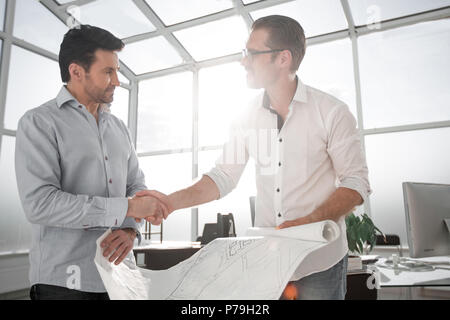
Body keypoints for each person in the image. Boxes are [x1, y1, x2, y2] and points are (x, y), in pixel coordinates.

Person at [136, 15, 371, 300]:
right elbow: (223, 176)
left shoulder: (332, 111)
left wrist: (308, 223)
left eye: (251, 53)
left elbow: (355, 184)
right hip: (269, 261)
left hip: (319, 261)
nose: (243, 61)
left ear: (283, 58)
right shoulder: (246, 116)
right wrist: (168, 202)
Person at [15, 25, 166, 300]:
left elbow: (136, 184)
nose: (117, 81)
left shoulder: (119, 128)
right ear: (76, 72)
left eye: (116, 71)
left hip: (121, 279)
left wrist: (131, 228)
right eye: (108, 71)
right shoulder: (39, 123)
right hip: (63, 285)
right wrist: (128, 207)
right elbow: (41, 204)